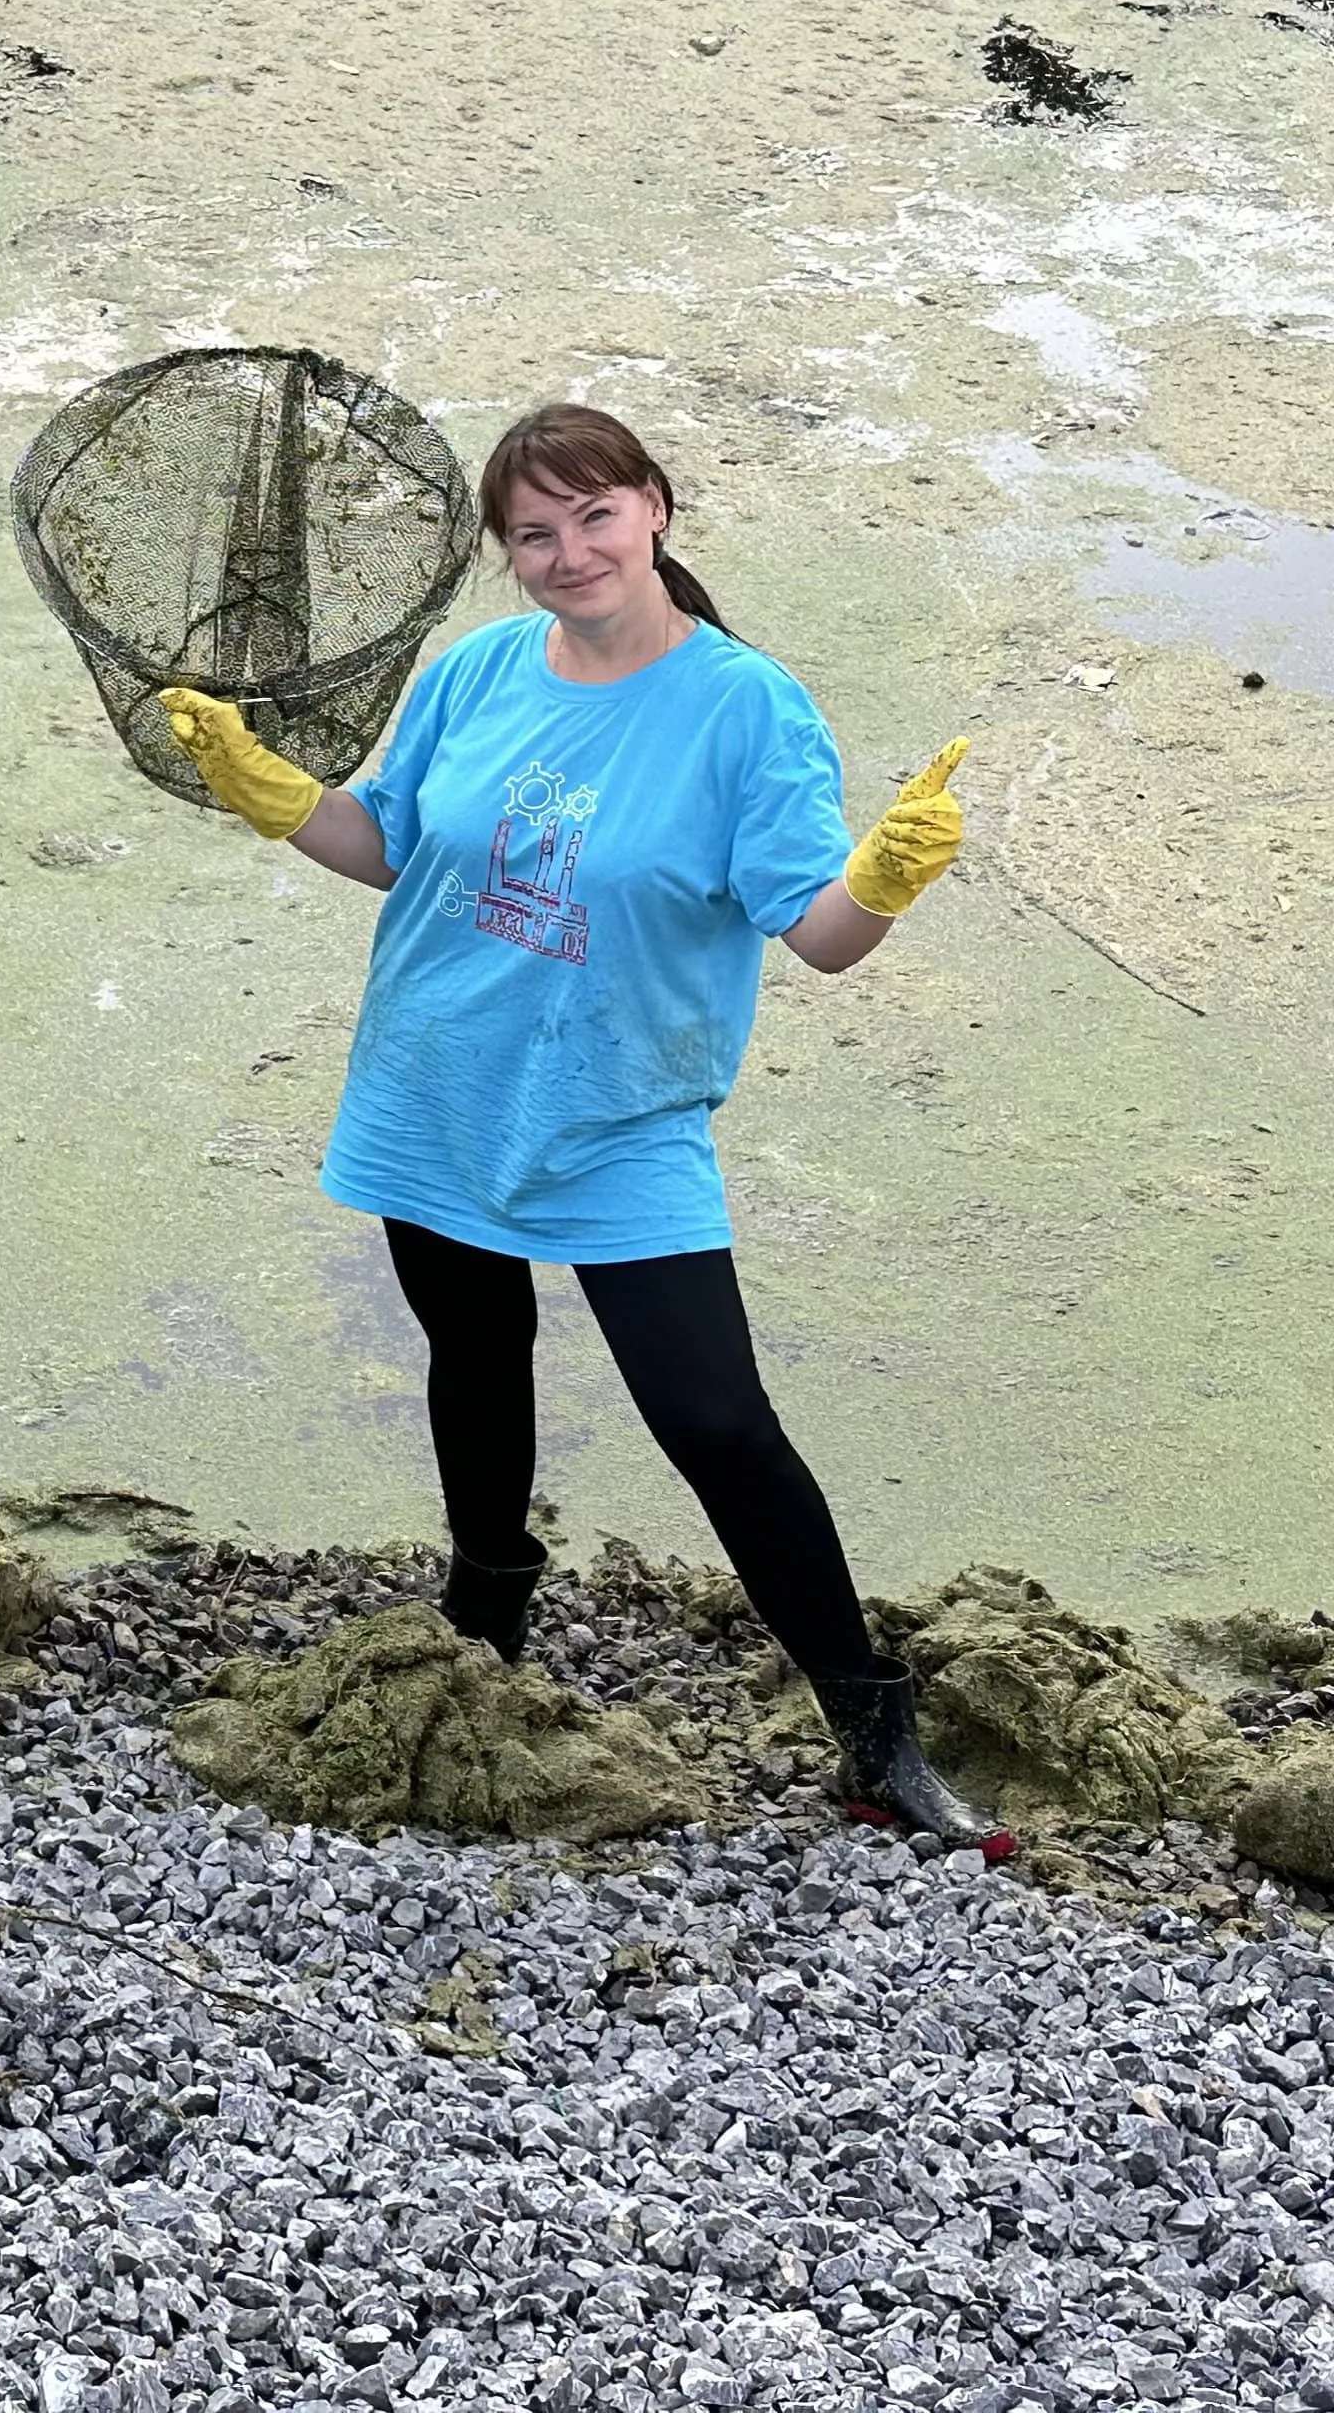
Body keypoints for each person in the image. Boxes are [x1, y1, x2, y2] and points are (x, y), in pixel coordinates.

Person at [158, 401, 1004, 1851]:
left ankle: (873, 1730)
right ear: (506, 557)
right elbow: (390, 842)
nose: (568, 553)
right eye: (532, 535)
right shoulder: (477, 669)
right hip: (437, 1083)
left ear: (656, 508)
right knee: (475, 1353)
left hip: (619, 1110)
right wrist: (277, 796)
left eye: (593, 516)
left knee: (717, 1419)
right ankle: (486, 1616)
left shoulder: (749, 709)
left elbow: (817, 935)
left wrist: (885, 873)